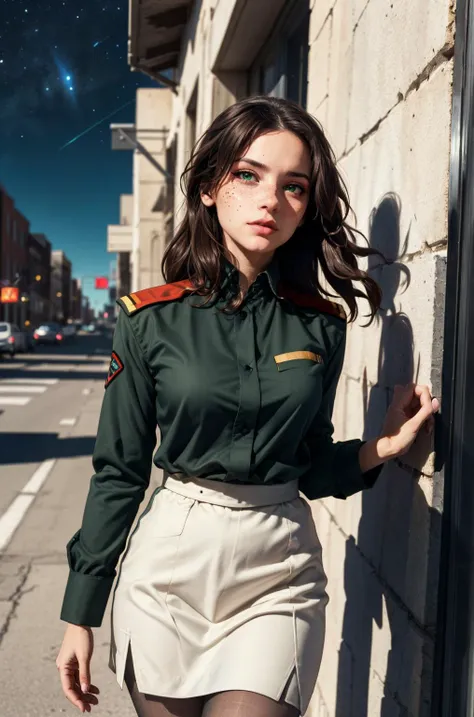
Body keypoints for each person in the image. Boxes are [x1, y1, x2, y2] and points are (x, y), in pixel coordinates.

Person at [56, 96, 439, 717]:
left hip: (277, 570)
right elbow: (119, 473)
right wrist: (81, 611)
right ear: (210, 186)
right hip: (169, 568)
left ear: (307, 206)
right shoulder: (148, 320)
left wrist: (381, 449)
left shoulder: (321, 328)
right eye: (248, 174)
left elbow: (310, 467)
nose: (271, 200)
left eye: (294, 186)